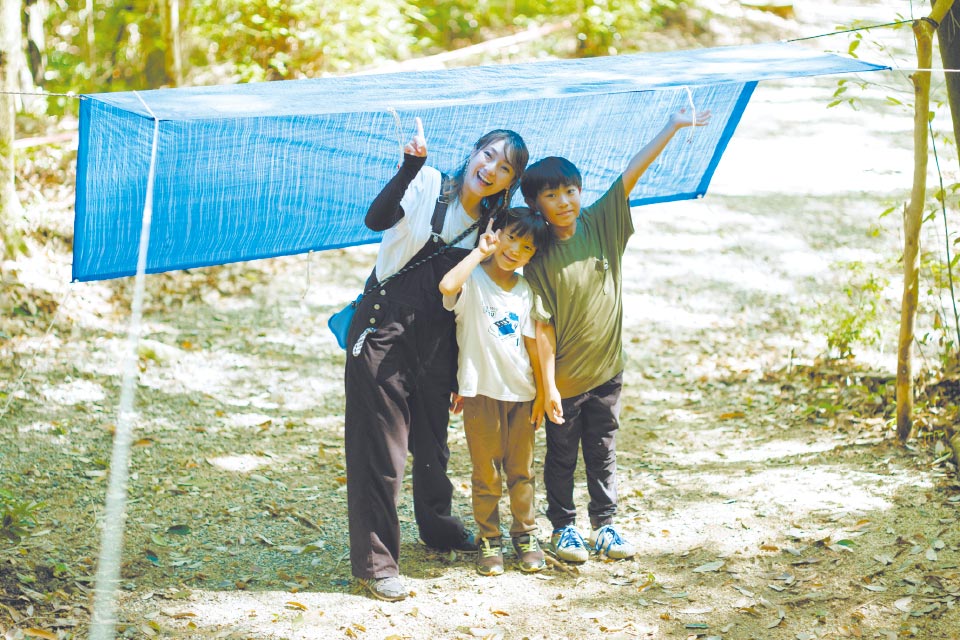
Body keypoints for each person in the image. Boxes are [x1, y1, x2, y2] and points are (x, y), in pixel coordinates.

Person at [343, 117, 529, 601]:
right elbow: (376, 220)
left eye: (505, 168)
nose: (491, 169)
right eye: (488, 155)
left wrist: (457, 370)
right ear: (473, 153)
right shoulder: (427, 184)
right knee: (381, 451)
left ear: (510, 182)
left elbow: (472, 298)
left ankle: (439, 527)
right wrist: (409, 167)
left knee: (433, 445)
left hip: (438, 340)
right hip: (384, 329)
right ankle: (377, 564)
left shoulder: (492, 226)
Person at [521, 109, 711, 563]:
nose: (565, 200)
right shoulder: (536, 254)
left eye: (571, 190)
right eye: (552, 195)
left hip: (608, 370)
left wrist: (672, 126)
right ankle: (563, 528)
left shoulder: (600, 223)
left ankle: (605, 524)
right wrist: (546, 387)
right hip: (563, 383)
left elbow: (631, 173)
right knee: (562, 456)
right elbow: (541, 327)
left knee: (602, 449)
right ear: (536, 205)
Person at [438, 208, 554, 576]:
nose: (516, 249)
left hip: (521, 393)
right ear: (496, 234)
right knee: (485, 472)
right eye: (511, 237)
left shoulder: (526, 291)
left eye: (527, 247)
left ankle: (526, 534)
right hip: (479, 392)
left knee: (521, 470)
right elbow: (446, 287)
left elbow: (533, 344)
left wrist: (541, 392)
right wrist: (478, 252)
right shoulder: (471, 280)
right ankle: (490, 537)